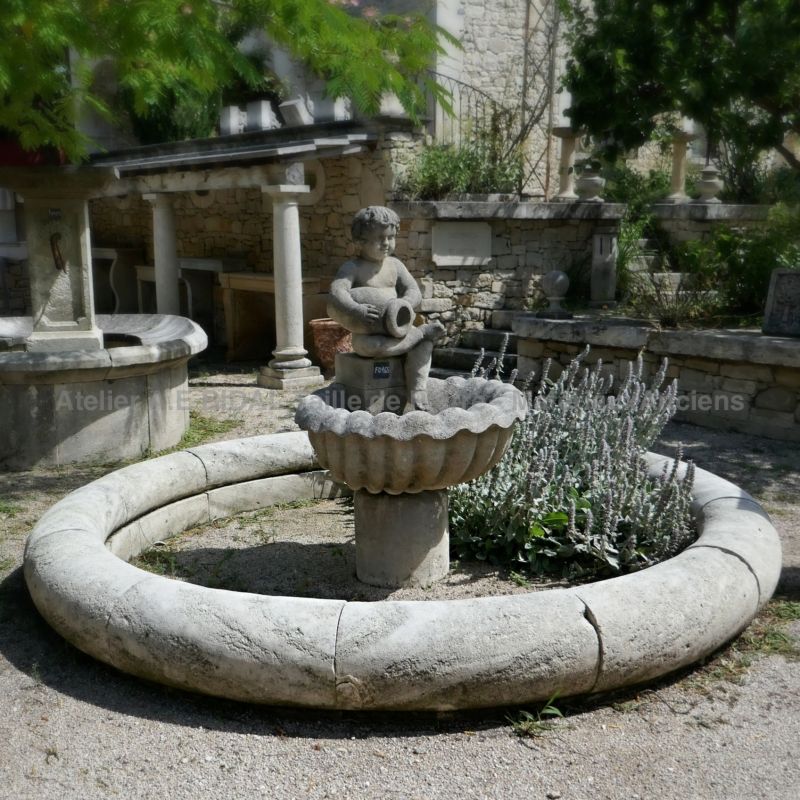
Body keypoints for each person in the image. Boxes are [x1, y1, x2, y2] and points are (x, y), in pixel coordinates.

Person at [327, 206, 445, 412]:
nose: (386, 244)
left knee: (424, 347)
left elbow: (413, 291)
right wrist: (356, 309)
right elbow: (337, 291)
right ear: (360, 241)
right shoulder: (353, 267)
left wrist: (405, 303)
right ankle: (420, 335)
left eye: (391, 237)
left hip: (397, 329)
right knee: (371, 348)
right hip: (370, 332)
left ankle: (417, 390)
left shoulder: (395, 265)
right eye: (380, 238)